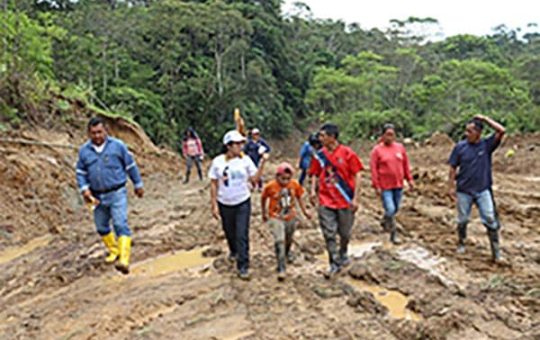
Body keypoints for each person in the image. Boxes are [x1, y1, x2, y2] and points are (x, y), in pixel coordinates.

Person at [76, 117, 144, 274]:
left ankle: (124, 260)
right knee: (101, 226)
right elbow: (80, 172)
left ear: (106, 130)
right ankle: (114, 250)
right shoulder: (84, 151)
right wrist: (84, 189)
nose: (97, 136)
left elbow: (130, 166)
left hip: (117, 192)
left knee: (120, 224)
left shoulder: (118, 146)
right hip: (97, 196)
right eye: (93, 133)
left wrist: (138, 184)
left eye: (100, 132)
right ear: (88, 133)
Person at [209, 130, 267, 280]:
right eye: (237, 144)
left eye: (242, 143)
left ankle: (243, 265)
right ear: (228, 146)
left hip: (242, 201)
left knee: (242, 234)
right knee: (229, 232)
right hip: (225, 202)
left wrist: (262, 164)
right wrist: (214, 204)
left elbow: (254, 179)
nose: (240, 146)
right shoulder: (218, 162)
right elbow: (214, 184)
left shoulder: (245, 160)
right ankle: (234, 251)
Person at [447, 114, 505, 261]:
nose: (467, 134)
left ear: (478, 133)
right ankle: (461, 241)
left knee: (490, 218)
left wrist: (485, 119)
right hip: (464, 190)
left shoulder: (486, 145)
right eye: (466, 131)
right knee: (462, 220)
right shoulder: (460, 147)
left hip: (482, 189)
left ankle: (496, 250)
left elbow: (501, 131)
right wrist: (450, 187)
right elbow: (453, 167)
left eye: (470, 131)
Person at [309, 123, 364, 279]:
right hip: (326, 199)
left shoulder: (348, 154)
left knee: (344, 233)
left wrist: (356, 198)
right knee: (329, 233)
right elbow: (314, 173)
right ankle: (334, 262)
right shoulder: (319, 155)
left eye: (323, 136)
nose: (320, 138)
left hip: (344, 199)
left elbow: (358, 174)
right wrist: (313, 191)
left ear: (332, 137)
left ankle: (343, 252)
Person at [261, 162, 312, 281]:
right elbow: (263, 198)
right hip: (276, 217)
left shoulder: (294, 184)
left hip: (290, 216)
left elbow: (300, 197)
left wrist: (305, 211)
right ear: (277, 176)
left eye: (287, 179)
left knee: (288, 239)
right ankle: (281, 268)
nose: (285, 181)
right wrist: (264, 213)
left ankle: (286, 254)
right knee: (279, 240)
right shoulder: (270, 186)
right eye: (282, 178)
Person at [370, 124, 414, 244]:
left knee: (395, 209)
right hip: (385, 186)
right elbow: (373, 169)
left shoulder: (400, 148)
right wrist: (376, 185)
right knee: (390, 209)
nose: (390, 137)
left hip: (398, 184)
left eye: (392, 135)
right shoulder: (377, 150)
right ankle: (393, 234)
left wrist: (409, 180)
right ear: (382, 136)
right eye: (387, 134)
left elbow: (405, 165)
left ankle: (385, 221)